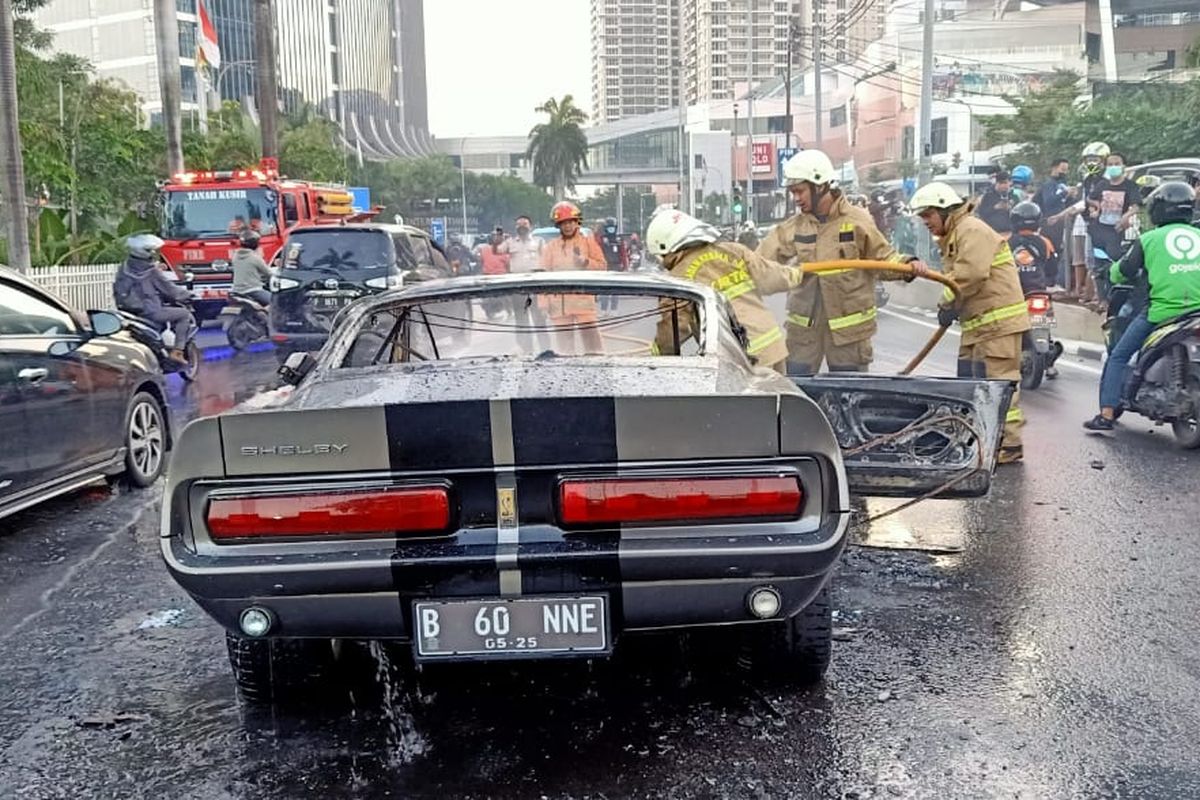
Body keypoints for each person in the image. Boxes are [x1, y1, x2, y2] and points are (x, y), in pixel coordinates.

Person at [756, 149, 918, 376]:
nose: (796, 198)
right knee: (796, 393)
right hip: (805, 333)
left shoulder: (856, 221)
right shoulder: (795, 226)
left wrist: (908, 266)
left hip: (848, 335)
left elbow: (882, 258)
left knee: (848, 393)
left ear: (820, 185)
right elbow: (760, 260)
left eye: (800, 191)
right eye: (793, 192)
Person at [909, 181, 1030, 464]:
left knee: (999, 386)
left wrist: (947, 302)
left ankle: (1008, 445)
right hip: (979, 326)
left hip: (996, 327)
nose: (925, 221)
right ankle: (981, 439)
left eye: (928, 215)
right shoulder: (956, 234)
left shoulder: (970, 230)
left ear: (944, 209)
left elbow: (971, 274)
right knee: (972, 385)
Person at [1084, 182, 1200, 432]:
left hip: (1163, 313)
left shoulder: (1148, 239)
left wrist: (1108, 273)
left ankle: (1106, 414)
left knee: (1118, 356)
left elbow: (1124, 271)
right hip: (1196, 314)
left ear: (1158, 210)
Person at [645, 208, 802, 372]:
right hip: (772, 347)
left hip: (740, 357)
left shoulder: (678, 279)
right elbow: (772, 276)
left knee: (748, 398)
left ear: (667, 248)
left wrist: (657, 356)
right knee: (779, 396)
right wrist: (798, 273)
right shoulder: (733, 250)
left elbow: (674, 328)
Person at [112, 233, 194, 361]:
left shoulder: (124, 268)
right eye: (151, 251)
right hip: (150, 312)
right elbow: (170, 290)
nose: (153, 253)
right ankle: (177, 351)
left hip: (128, 312)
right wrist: (188, 295)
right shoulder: (151, 271)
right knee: (183, 314)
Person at [539, 201, 607, 354]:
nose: (567, 226)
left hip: (583, 303)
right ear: (558, 225)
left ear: (577, 222)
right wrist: (543, 302)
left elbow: (603, 267)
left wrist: (585, 262)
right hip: (558, 306)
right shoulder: (551, 247)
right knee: (564, 350)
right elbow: (542, 277)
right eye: (563, 223)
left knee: (593, 348)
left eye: (570, 222)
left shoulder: (588, 242)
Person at [497, 214, 550, 352]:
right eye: (519, 225)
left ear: (530, 226)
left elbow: (546, 260)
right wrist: (498, 237)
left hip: (535, 285)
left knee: (539, 319)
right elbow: (497, 251)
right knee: (521, 320)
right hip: (518, 286)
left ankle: (546, 349)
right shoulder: (510, 242)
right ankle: (527, 350)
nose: (522, 227)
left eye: (524, 224)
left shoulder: (539, 242)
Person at [1067, 142, 1111, 303]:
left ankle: (1101, 296)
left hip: (1105, 225)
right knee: (1089, 260)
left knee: (1101, 260)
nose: (1092, 163)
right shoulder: (1088, 180)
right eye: (1089, 159)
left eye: (1095, 159)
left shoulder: (1108, 179)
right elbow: (1085, 200)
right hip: (1088, 223)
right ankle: (1092, 295)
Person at [1037, 158, 1073, 288]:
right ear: (1054, 168)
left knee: (1059, 249)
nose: (1064, 172)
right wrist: (1064, 193)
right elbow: (1048, 201)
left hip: (1062, 221)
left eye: (1066, 169)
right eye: (1062, 168)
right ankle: (1048, 277)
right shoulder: (1049, 184)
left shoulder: (1063, 183)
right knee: (1050, 250)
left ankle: (1057, 278)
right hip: (1049, 221)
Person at [1008, 201, 1056, 295]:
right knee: (1047, 308)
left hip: (1012, 291)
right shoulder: (1045, 242)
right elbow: (1052, 269)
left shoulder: (1006, 242)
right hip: (1038, 291)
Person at [230, 230, 272, 306]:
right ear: (255, 243)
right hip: (253, 290)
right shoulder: (255, 257)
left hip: (236, 291)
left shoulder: (235, 256)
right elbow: (268, 274)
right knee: (276, 302)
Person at [597, 217, 628, 312]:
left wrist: (625, 265)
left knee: (615, 290)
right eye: (609, 227)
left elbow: (623, 253)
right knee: (604, 290)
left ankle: (614, 309)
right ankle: (603, 309)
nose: (611, 229)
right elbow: (597, 252)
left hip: (616, 266)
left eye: (613, 227)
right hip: (604, 267)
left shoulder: (619, 239)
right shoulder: (601, 239)